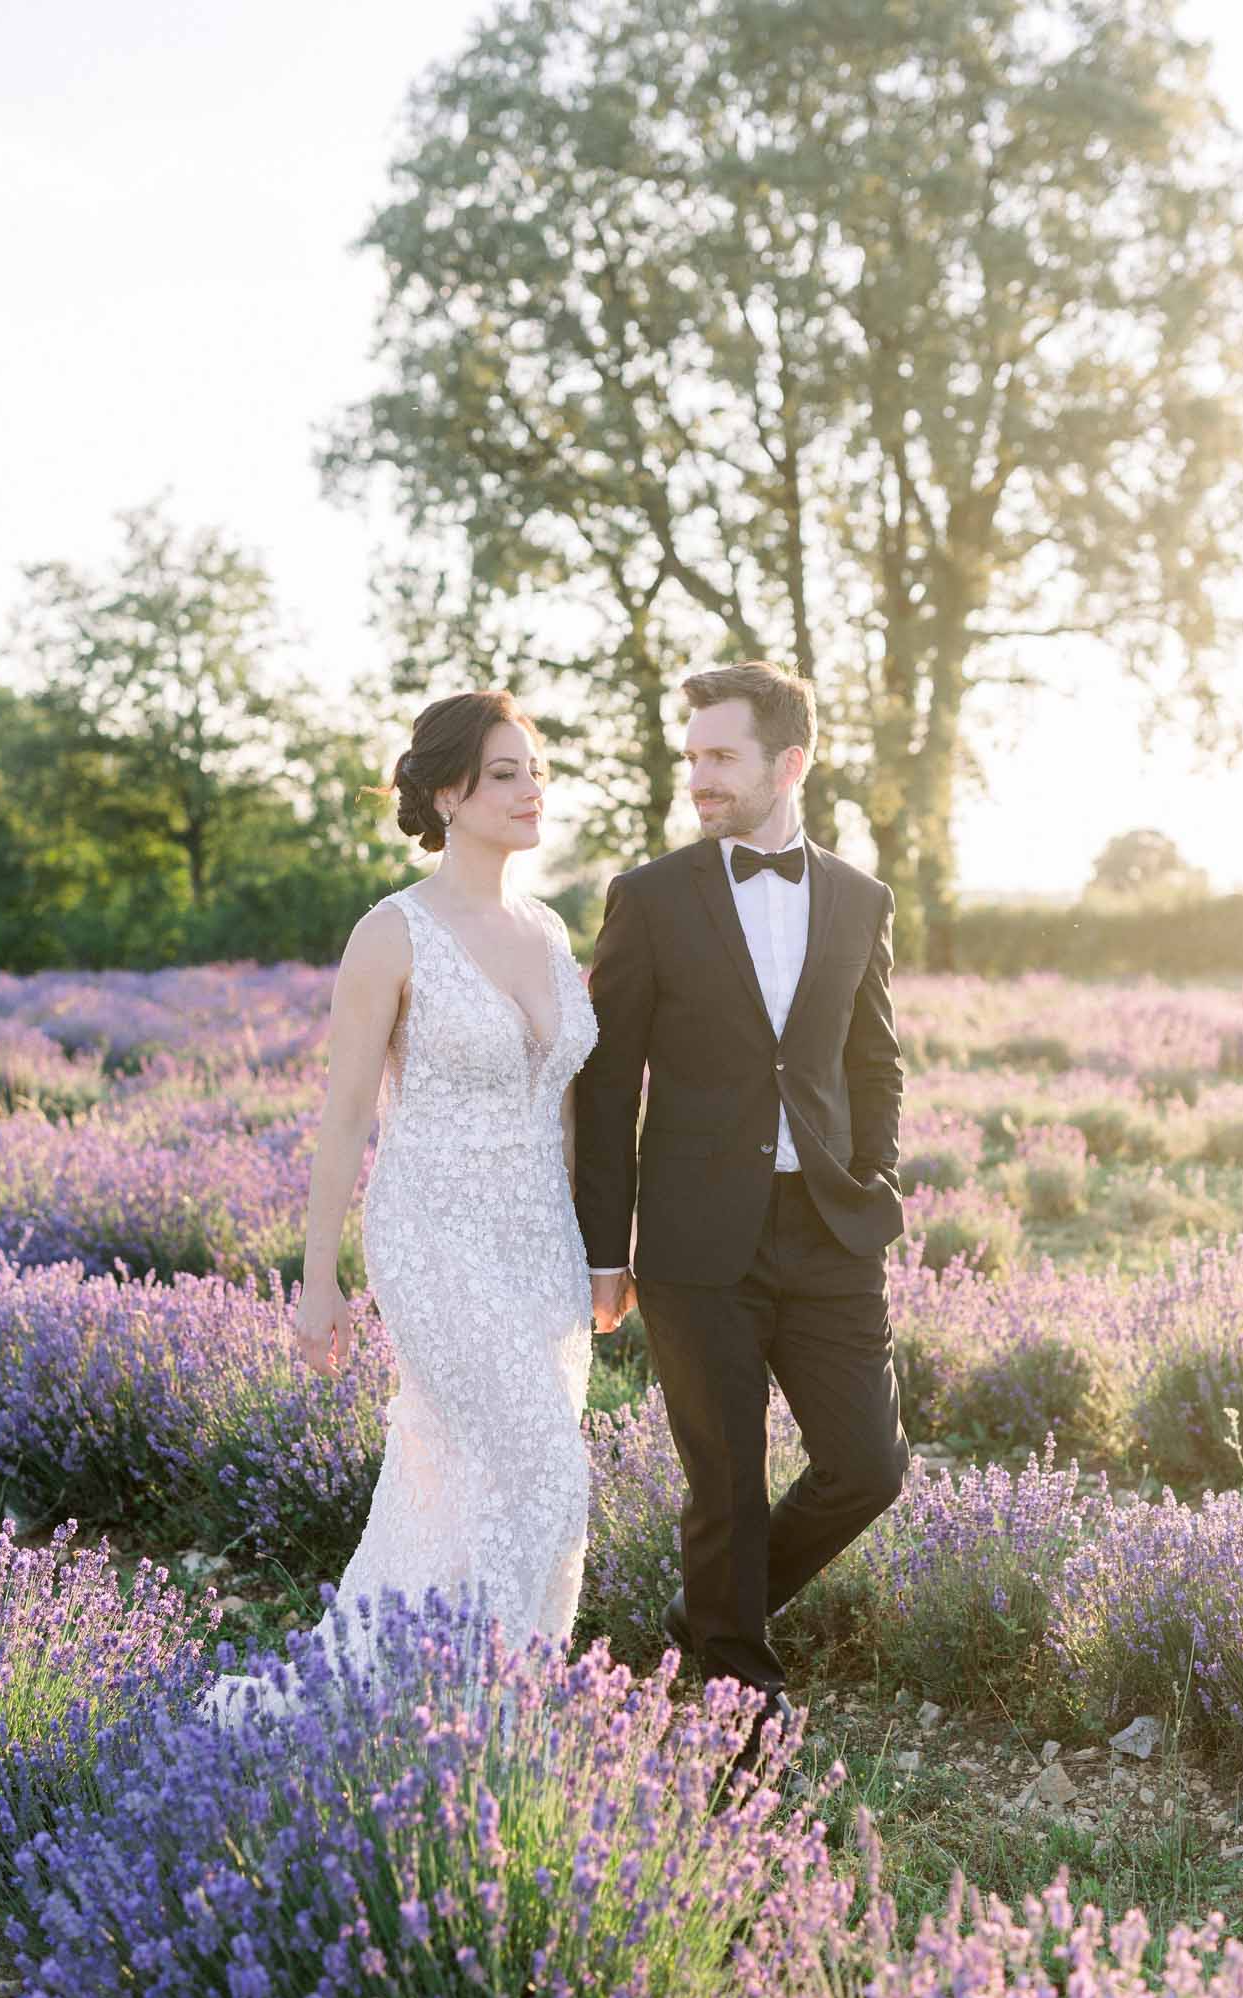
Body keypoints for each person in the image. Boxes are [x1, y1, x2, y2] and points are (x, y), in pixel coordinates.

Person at [197, 690, 599, 1733]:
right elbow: (341, 1121)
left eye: (536, 770)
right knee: (547, 1472)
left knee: (470, 1480)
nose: (531, 789)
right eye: (505, 772)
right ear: (449, 791)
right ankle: (493, 1724)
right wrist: (317, 1277)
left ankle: (408, 1705)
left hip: (541, 1245)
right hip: (432, 1233)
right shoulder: (393, 932)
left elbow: (563, 1110)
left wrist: (601, 1250)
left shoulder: (549, 927)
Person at [574, 662, 910, 1770]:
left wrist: (875, 1176)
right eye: (693, 757)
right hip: (692, 1239)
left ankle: (705, 1623)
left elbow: (875, 1061)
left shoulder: (863, 899)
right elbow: (609, 1080)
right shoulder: (651, 896)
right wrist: (602, 1250)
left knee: (869, 1464)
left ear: (789, 763)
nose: (699, 776)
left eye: (721, 756)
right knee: (723, 1481)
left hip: (827, 1230)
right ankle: (741, 1703)